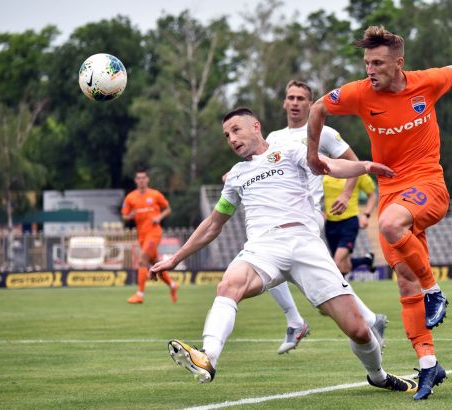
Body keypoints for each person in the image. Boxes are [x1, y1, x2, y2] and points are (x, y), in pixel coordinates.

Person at [305, 26, 452, 400]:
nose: (370, 70)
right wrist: (311, 156)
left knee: (389, 225)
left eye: (378, 63)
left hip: (428, 184)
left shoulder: (426, 83)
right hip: (391, 192)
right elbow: (318, 107)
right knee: (404, 281)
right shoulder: (360, 93)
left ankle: (435, 291)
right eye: (367, 63)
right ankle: (429, 364)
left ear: (399, 63)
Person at [150, 108, 416, 393]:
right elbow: (213, 224)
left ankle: (377, 375)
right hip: (263, 247)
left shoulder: (289, 152)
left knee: (359, 330)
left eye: (236, 130)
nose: (232, 139)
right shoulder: (236, 176)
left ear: (256, 126)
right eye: (227, 135)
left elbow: (329, 165)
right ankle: (208, 357)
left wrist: (365, 166)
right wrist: (175, 259)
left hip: (305, 244)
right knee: (228, 286)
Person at [265, 80, 388, 354]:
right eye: (291, 97)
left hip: (307, 215)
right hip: (281, 215)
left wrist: (346, 193)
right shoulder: (273, 138)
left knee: (271, 261)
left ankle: (296, 322)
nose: (295, 103)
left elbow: (355, 163)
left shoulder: (324, 132)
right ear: (284, 103)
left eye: (301, 98)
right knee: (315, 279)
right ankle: (370, 319)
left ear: (311, 105)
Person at [122, 170, 178, 304]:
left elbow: (168, 209)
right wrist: (130, 216)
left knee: (142, 260)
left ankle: (139, 294)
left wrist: (159, 217)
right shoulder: (130, 197)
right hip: (141, 235)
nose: (141, 180)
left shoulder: (155, 194)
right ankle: (172, 285)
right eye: (139, 178)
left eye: (143, 178)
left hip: (154, 233)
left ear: (147, 180)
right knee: (156, 264)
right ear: (135, 181)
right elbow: (124, 216)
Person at [323, 173, 377, 276]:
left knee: (337, 261)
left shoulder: (357, 172)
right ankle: (366, 260)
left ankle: (334, 285)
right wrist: (321, 211)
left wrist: (366, 215)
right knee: (344, 265)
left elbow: (372, 195)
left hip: (349, 222)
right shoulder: (326, 170)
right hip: (330, 224)